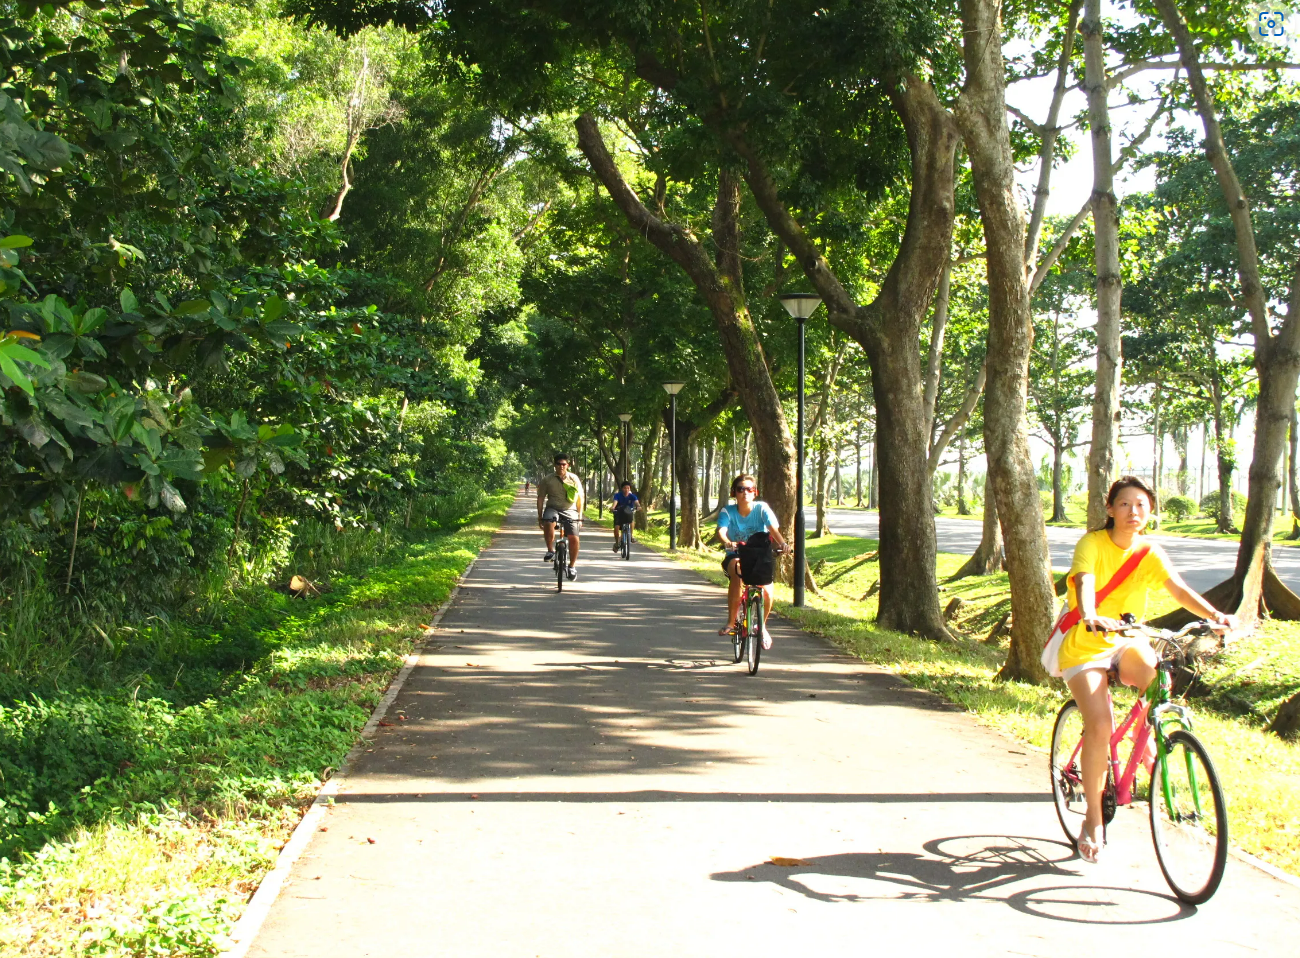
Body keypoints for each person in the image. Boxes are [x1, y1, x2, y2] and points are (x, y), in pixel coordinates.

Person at [1059, 475, 1235, 864]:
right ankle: (1092, 819)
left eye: (1140, 505)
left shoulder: (1149, 553)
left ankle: (1148, 743)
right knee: (1101, 727)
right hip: (1085, 643)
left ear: (1150, 510)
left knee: (1157, 677)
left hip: (1126, 639)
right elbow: (1085, 581)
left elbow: (1178, 589)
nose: (1132, 512)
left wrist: (1215, 615)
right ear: (1110, 509)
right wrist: (1089, 614)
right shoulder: (1093, 543)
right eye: (1124, 504)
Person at [716, 474, 788, 649]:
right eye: (741, 489)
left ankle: (762, 626)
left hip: (759, 556)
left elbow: (772, 528)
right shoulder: (728, 511)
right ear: (734, 492)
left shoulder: (762, 508)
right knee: (737, 572)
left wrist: (783, 544)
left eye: (749, 489)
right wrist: (727, 541)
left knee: (768, 591)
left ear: (755, 492)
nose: (745, 493)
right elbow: (722, 530)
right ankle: (731, 622)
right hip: (737, 554)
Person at [536, 453, 585, 580]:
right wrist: (540, 515)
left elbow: (580, 498)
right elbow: (541, 497)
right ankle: (550, 550)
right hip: (552, 508)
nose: (561, 467)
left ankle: (572, 566)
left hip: (570, 509)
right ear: (555, 465)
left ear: (568, 465)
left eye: (564, 464)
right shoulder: (547, 479)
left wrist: (579, 516)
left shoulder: (573, 478)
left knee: (574, 538)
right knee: (548, 522)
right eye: (559, 464)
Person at [609, 480, 639, 551]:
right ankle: (617, 543)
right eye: (625, 488)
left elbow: (637, 503)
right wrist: (613, 507)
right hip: (619, 513)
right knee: (616, 529)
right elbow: (615, 503)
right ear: (622, 489)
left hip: (628, 513)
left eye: (628, 488)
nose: (626, 490)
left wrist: (638, 506)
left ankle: (631, 536)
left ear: (630, 489)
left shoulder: (632, 496)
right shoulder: (617, 495)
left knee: (632, 521)